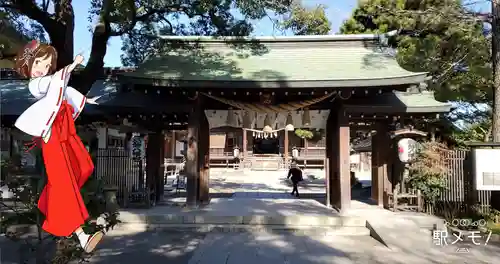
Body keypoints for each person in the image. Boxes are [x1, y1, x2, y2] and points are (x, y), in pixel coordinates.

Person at [13, 40, 103, 253]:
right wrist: (72, 65)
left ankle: (48, 202)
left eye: (46, 65)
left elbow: (64, 89)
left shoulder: (51, 81)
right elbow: (55, 82)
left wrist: (86, 100)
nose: (41, 69)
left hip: (65, 129)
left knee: (83, 167)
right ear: (28, 64)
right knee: (64, 181)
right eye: (38, 64)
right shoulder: (35, 84)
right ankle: (82, 236)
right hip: (51, 135)